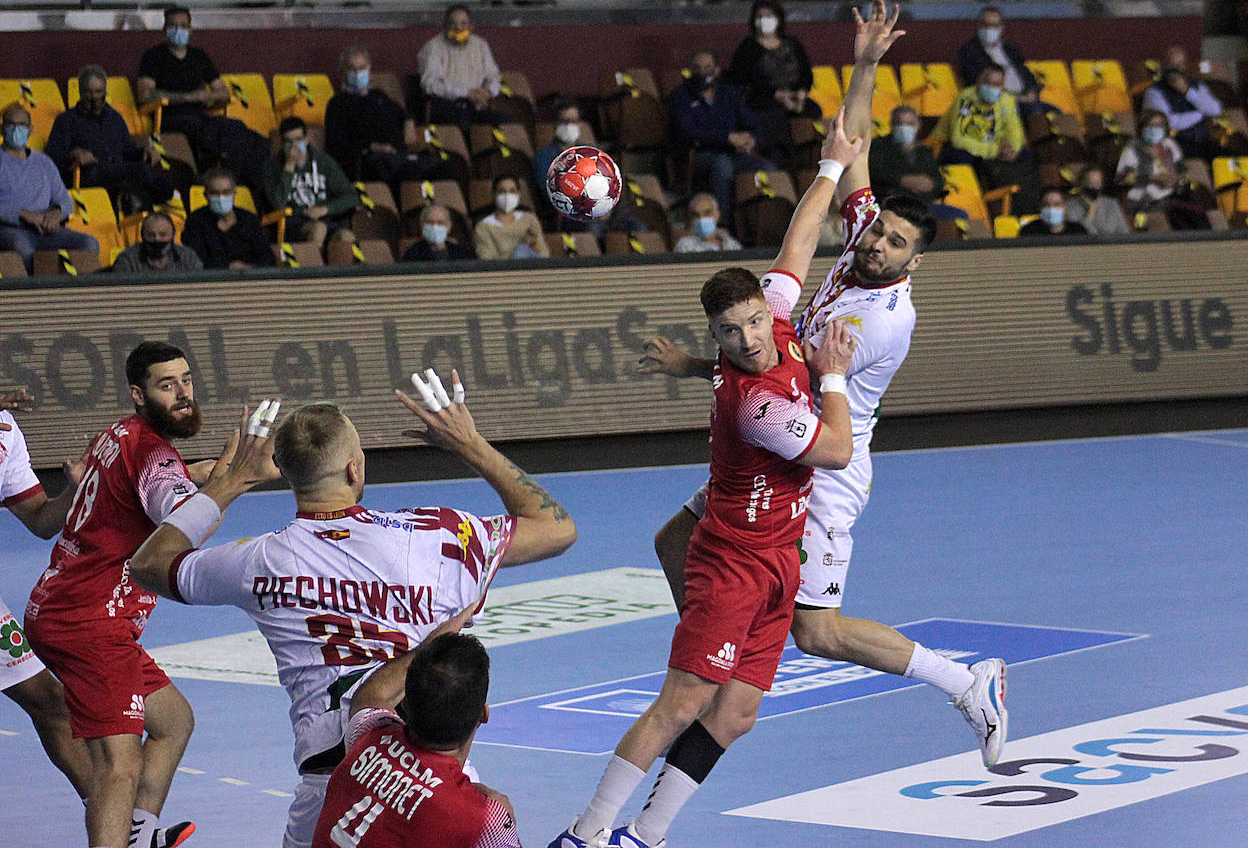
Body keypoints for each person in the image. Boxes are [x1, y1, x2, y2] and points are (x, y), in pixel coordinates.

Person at [643, 0, 1008, 806]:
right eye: (877, 234)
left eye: (894, 244)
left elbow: (776, 390)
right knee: (678, 539)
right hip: (787, 427)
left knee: (818, 633)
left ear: (916, 265)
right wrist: (869, 62)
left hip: (825, 458)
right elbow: (857, 147)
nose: (876, 243)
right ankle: (720, 651)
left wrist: (689, 371)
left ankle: (963, 681)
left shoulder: (878, 322)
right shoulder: (865, 243)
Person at [552, 96, 864, 848]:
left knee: (738, 713)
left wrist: (830, 161)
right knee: (684, 700)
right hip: (733, 561)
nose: (752, 340)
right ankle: (587, 832)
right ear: (718, 335)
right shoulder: (755, 404)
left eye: (756, 322)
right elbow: (837, 452)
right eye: (731, 334)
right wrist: (833, 377)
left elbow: (800, 237)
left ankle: (645, 835)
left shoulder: (777, 318)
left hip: (778, 560)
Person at [129, 374, 578, 848]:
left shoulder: (257, 561)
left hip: (331, 793)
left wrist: (234, 480)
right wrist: (469, 444)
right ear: (354, 470)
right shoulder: (440, 535)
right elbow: (556, 528)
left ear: (284, 471)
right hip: (438, 788)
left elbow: (150, 564)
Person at [25, 341, 204, 848]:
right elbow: (181, 521)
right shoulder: (152, 452)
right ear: (138, 394)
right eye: (167, 386)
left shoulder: (121, 435)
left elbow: (146, 485)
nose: (182, 394)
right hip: (90, 622)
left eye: (186, 380)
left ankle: (139, 834)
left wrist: (199, 474)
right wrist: (233, 482)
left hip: (68, 606)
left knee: (172, 721)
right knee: (118, 766)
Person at [310, 622, 519, 847]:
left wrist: (447, 629)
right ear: (484, 715)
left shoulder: (370, 735)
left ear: (405, 703)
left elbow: (371, 694)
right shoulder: (482, 819)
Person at [0, 389, 94, 805]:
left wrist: (73, 493)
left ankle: (120, 825)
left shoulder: (5, 432)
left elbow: (39, 519)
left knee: (50, 703)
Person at [136, 5, 268, 187]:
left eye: (183, 25)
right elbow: (145, 94)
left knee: (251, 137)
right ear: (164, 29)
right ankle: (230, 183)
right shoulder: (153, 57)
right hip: (171, 120)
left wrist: (206, 96)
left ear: (190, 28)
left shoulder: (199, 56)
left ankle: (240, 184)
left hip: (202, 118)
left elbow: (222, 91)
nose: (178, 30)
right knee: (224, 137)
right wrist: (186, 98)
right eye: (173, 26)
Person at [667, 48, 777, 232]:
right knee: (722, 165)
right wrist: (726, 138)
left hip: (735, 154)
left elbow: (753, 124)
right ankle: (725, 225)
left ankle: (767, 227)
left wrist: (751, 140)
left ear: (717, 70)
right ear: (691, 70)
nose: (703, 72)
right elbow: (687, 133)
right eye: (698, 67)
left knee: (768, 168)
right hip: (699, 155)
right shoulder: (681, 96)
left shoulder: (728, 94)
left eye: (708, 67)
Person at [45, 65, 175, 210]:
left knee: (158, 181)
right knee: (142, 176)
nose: (94, 97)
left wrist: (145, 151)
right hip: (89, 177)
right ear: (81, 92)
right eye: (89, 92)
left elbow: (128, 151)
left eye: (98, 92)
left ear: (105, 92)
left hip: (120, 172)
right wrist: (73, 155)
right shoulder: (66, 120)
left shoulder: (114, 118)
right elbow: (52, 157)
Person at [325, 45, 456, 184]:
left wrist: (409, 121)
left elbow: (403, 114)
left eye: (362, 68)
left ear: (369, 69)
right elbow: (336, 144)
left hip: (398, 154)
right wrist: (371, 147)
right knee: (396, 169)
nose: (358, 73)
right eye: (352, 68)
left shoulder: (379, 96)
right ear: (343, 72)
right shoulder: (337, 104)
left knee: (446, 166)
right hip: (369, 159)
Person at [0, 103, 99, 272]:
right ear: (2, 129)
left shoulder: (44, 162)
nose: (17, 129)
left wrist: (55, 213)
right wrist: (23, 214)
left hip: (47, 230)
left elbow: (64, 200)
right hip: (11, 229)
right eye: (11, 124)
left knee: (89, 244)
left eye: (22, 125)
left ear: (31, 129)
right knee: (22, 248)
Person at [723, 0, 821, 162]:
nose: (764, 20)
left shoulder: (792, 44)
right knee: (773, 117)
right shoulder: (748, 47)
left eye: (769, 16)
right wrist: (777, 95)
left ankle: (808, 161)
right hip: (761, 101)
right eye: (760, 16)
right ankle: (778, 160)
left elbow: (805, 74)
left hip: (794, 98)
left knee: (813, 111)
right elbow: (742, 78)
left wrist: (801, 94)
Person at [935, 64, 1038, 215]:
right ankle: (970, 203)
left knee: (1026, 155)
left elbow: (1015, 132)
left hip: (993, 149)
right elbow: (959, 139)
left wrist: (1012, 150)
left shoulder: (1007, 100)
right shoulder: (966, 97)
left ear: (1003, 86)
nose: (991, 87)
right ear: (979, 82)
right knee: (963, 155)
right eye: (987, 82)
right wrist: (995, 151)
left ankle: (1024, 207)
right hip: (950, 146)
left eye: (996, 84)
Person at [263, 116, 358, 248]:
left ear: (306, 139)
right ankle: (313, 266)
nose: (294, 146)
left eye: (298, 140)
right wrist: (289, 167)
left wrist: (325, 209)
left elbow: (351, 197)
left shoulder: (323, 161)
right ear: (282, 143)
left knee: (346, 237)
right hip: (290, 224)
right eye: (288, 142)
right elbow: (277, 204)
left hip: (322, 218)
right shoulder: (272, 167)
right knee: (318, 229)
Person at [956, 5, 1056, 117]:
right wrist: (1014, 98)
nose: (989, 30)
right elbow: (977, 81)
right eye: (985, 25)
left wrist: (1032, 92)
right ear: (978, 26)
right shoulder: (970, 51)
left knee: (1056, 112)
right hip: (999, 102)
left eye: (994, 26)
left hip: (1025, 98)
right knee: (1035, 111)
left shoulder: (1010, 49)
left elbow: (1027, 75)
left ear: (1001, 28)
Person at [418, 4, 501, 131]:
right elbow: (430, 85)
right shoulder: (432, 47)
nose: (458, 28)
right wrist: (466, 93)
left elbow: (493, 76)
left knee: (505, 122)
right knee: (463, 124)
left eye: (463, 24)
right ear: (445, 27)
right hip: (448, 106)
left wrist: (488, 92)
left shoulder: (480, 45)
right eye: (453, 24)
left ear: (471, 27)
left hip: (478, 105)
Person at [180, 167, 275, 269]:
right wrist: (227, 267)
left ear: (234, 194)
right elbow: (194, 261)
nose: (221, 197)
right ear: (205, 195)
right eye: (214, 193)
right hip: (211, 281)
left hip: (249, 279)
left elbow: (268, 259)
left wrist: (247, 268)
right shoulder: (195, 221)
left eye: (226, 192)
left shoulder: (249, 220)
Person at [1141, 63, 1223, 160]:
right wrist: (1202, 113)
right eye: (1171, 66)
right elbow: (1169, 122)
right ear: (1163, 67)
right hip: (1176, 143)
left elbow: (1215, 110)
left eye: (1178, 66)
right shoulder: (1154, 91)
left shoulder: (1197, 86)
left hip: (1204, 140)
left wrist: (1187, 91)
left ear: (1185, 67)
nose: (1175, 72)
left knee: (1230, 157)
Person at [1115, 109, 1185, 216]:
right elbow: (1121, 179)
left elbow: (1181, 169)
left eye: (1159, 125)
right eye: (1150, 125)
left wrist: (1174, 179)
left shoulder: (1169, 144)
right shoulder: (1132, 149)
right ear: (1142, 128)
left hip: (1170, 198)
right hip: (1143, 202)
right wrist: (1153, 178)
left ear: (1165, 128)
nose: (1154, 129)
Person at [869, 105, 943, 202]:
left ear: (918, 125)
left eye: (910, 124)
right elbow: (876, 173)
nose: (905, 128)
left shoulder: (925, 151)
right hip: (890, 201)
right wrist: (902, 181)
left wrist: (931, 184)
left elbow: (938, 179)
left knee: (959, 214)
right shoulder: (878, 145)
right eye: (900, 123)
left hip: (922, 203)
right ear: (891, 125)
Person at [474, 175, 548, 259]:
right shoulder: (483, 227)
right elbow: (486, 260)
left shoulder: (529, 220)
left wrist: (534, 245)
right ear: (493, 194)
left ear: (519, 194)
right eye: (502, 191)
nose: (507, 196)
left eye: (512, 191)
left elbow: (544, 254)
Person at [111, 210, 203, 274]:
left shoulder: (188, 257)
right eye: (150, 235)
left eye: (163, 235)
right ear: (142, 236)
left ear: (173, 235)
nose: (157, 239)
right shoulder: (127, 260)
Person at [1064, 165, 1131, 236]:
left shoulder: (1111, 204)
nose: (1095, 187)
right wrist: (1090, 213)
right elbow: (1077, 235)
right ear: (1081, 184)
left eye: (1097, 183)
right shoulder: (1070, 206)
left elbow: (1125, 232)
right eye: (1090, 183)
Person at [403, 202, 475, 262]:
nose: (435, 227)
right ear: (422, 226)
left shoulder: (462, 253)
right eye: (429, 222)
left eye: (440, 223)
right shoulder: (412, 254)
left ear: (449, 227)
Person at [673, 192, 741, 252]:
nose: (702, 218)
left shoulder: (731, 245)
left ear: (717, 215)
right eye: (696, 215)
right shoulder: (685, 246)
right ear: (691, 219)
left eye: (707, 213)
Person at [1018, 187, 1089, 235]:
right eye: (1047, 204)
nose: (1051, 208)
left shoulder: (1078, 231)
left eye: (1057, 204)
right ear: (1040, 208)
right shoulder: (1029, 231)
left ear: (1065, 207)